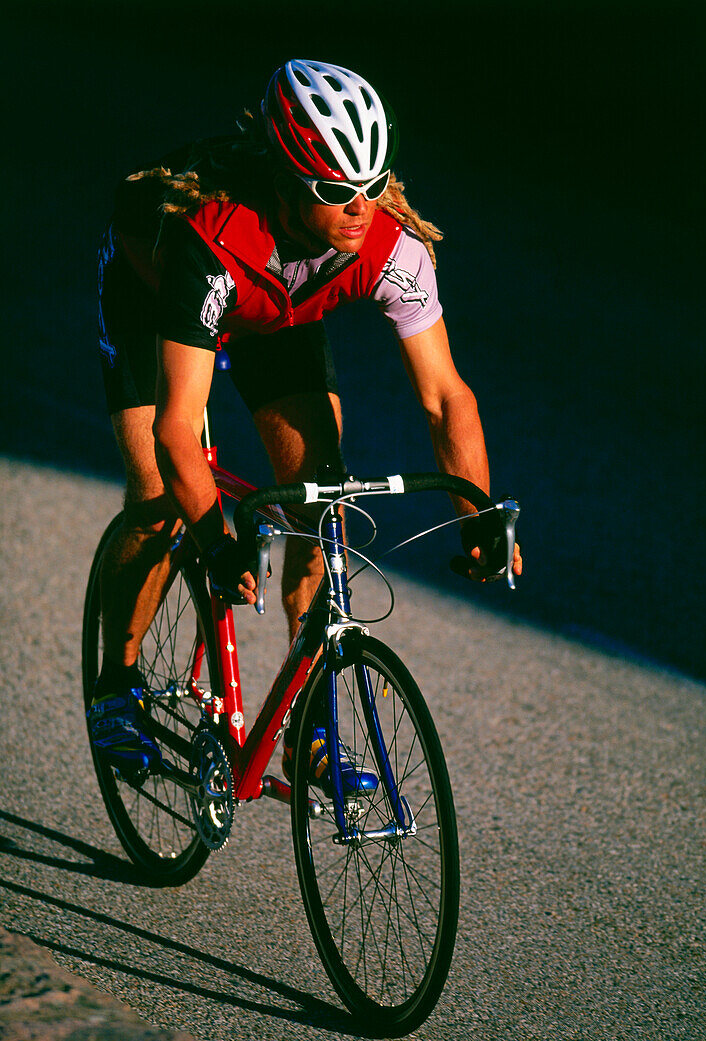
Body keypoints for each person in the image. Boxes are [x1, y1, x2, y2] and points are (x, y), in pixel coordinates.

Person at [88, 58, 523, 784]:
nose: (361, 207)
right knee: (163, 498)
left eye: (373, 184)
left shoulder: (390, 245)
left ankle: (308, 728)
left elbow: (447, 397)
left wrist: (475, 510)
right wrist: (217, 541)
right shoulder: (215, 241)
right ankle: (116, 684)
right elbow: (175, 430)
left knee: (325, 497)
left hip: (274, 308)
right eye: (334, 190)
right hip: (155, 292)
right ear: (289, 180)